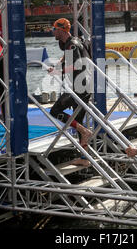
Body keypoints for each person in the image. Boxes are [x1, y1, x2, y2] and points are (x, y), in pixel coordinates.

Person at [48, 18, 93, 166]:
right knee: (77, 120)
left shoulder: (71, 45)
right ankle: (84, 158)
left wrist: (57, 71)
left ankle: (84, 131)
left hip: (78, 89)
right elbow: (70, 57)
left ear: (61, 30)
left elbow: (77, 65)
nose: (52, 32)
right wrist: (59, 64)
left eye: (54, 29)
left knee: (54, 111)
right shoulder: (76, 41)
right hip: (87, 87)